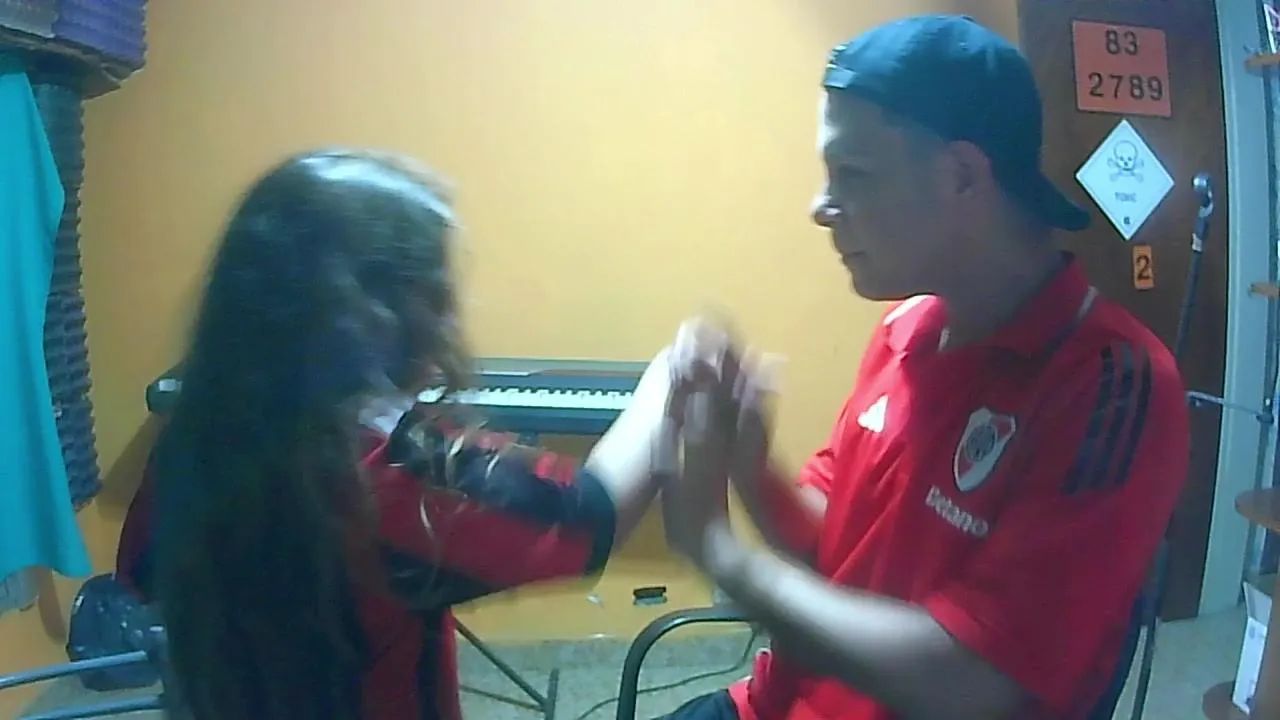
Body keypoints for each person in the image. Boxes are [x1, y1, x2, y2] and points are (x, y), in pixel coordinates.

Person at [656, 15, 1189, 720]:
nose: (820, 208)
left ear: (962, 177)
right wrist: (751, 462)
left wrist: (723, 556)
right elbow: (833, 550)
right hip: (776, 701)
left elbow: (976, 681)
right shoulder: (905, 327)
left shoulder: (1112, 385)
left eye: (853, 174)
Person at [145, 149, 675, 720]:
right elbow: (589, 517)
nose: (448, 321)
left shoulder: (189, 446)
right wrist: (670, 378)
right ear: (373, 314)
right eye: (435, 294)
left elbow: (143, 578)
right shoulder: (383, 478)